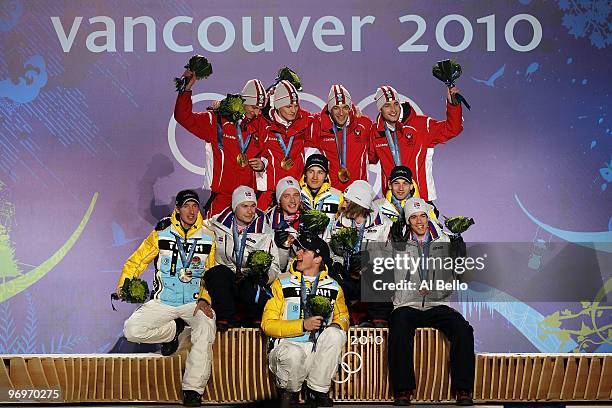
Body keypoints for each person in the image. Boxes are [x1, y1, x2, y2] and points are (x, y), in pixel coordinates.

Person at [119, 189, 216, 407]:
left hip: (194, 301)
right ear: (178, 209)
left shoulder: (208, 236)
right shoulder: (161, 232)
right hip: (164, 301)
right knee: (132, 329)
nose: (191, 211)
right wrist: (123, 286)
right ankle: (173, 331)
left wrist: (205, 299)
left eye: (195, 206)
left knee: (206, 327)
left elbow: (212, 274)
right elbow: (137, 261)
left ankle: (193, 389)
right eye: (186, 206)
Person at [388, 197, 474, 406]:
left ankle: (463, 390)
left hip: (438, 304)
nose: (419, 221)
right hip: (407, 303)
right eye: (414, 217)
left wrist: (459, 250)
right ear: (408, 221)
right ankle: (403, 391)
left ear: (429, 217)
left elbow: (462, 271)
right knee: (398, 328)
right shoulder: (397, 239)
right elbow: (381, 268)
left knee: (463, 329)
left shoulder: (444, 239)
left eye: (423, 216)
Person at [261, 232, 350, 408]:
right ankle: (289, 392)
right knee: (293, 354)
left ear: (317, 259)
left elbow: (344, 317)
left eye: (304, 251)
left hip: (316, 354)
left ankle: (318, 391)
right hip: (287, 348)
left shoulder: (333, 286)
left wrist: (334, 325)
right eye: (298, 249)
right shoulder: (282, 282)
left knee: (336, 334)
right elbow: (267, 324)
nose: (298, 254)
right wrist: (303, 325)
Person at [174, 73, 267, 216]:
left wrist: (263, 165)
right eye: (254, 107)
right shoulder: (216, 120)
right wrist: (186, 89)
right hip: (222, 200)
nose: (257, 112)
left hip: (249, 201)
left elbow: (270, 153)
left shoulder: (261, 125)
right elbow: (183, 116)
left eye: (260, 109)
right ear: (243, 101)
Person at [203, 185, 281, 331]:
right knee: (216, 273)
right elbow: (194, 227)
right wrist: (169, 223)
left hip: (249, 280)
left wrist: (265, 277)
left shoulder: (264, 230)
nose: (250, 211)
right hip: (228, 279)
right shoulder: (218, 224)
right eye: (244, 206)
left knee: (254, 279)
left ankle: (255, 321)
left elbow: (275, 265)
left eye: (253, 206)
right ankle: (226, 319)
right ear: (234, 207)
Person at [368, 85, 463, 202]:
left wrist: (453, 104)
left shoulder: (421, 125)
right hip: (391, 202)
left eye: (395, 104)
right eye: (387, 105)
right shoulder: (375, 132)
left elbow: (453, 128)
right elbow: (368, 158)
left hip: (420, 199)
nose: (393, 110)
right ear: (380, 109)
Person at [326, 180, 393, 327]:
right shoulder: (339, 222)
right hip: (348, 275)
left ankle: (379, 321)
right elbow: (330, 253)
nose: (343, 205)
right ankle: (343, 319)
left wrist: (368, 259)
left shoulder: (384, 224)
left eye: (348, 202)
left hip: (370, 275)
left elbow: (391, 258)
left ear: (360, 204)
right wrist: (340, 261)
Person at [257, 80, 316, 210]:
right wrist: (220, 108)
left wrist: (353, 111)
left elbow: (332, 116)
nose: (293, 110)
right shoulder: (263, 123)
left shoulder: (305, 121)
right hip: (269, 196)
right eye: (289, 106)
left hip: (294, 196)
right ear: (278, 106)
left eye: (296, 106)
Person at [313, 84, 372, 188]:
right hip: (332, 193)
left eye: (345, 107)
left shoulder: (364, 124)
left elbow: (374, 155)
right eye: (336, 108)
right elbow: (297, 122)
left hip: (359, 194)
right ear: (330, 109)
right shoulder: (319, 126)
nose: (341, 113)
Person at [267, 176, 302, 272]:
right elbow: (277, 268)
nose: (293, 200)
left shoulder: (310, 218)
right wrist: (282, 248)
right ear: (279, 200)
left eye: (296, 195)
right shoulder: (267, 222)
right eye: (287, 196)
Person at [299, 154, 343, 226]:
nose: (315, 177)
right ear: (305, 173)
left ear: (326, 176)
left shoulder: (338, 196)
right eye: (311, 171)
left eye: (320, 172)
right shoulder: (295, 193)